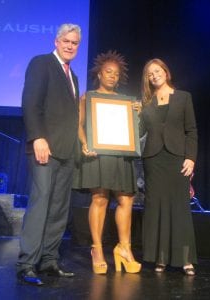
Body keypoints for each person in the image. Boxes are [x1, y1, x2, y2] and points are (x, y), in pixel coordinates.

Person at [17, 23, 81, 286]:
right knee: (41, 203)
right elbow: (30, 102)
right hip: (45, 147)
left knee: (58, 208)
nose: (70, 46)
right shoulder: (41, 63)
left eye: (75, 43)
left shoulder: (73, 77)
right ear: (56, 41)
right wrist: (37, 137)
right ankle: (26, 263)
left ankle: (49, 260)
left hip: (67, 151)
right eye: (66, 41)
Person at [74, 50, 141, 274]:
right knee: (100, 199)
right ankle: (97, 249)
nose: (112, 76)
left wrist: (137, 115)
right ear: (99, 74)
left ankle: (124, 248)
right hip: (98, 155)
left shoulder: (126, 102)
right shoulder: (89, 97)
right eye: (108, 72)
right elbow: (79, 125)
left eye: (116, 74)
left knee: (126, 200)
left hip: (121, 155)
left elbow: (135, 132)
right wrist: (84, 143)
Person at [139, 58, 198, 275]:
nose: (154, 75)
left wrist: (191, 157)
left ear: (166, 71)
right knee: (155, 209)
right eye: (149, 74)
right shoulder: (145, 103)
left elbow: (191, 131)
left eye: (157, 71)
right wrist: (132, 114)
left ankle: (185, 259)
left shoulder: (183, 97)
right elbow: (137, 133)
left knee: (179, 209)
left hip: (177, 160)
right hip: (153, 160)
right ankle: (159, 258)